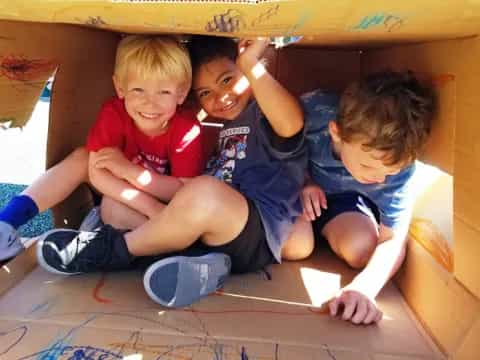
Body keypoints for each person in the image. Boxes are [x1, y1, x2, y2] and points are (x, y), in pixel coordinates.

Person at [35, 35, 313, 308]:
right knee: (113, 207)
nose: (221, 97)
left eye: (228, 79)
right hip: (206, 233)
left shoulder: (263, 114)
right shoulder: (222, 129)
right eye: (205, 93)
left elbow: (291, 126)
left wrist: (250, 63)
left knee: (203, 190)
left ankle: (108, 251)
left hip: (252, 231)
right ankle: (199, 267)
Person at [0, 35, 204, 261]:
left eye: (163, 92)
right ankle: (6, 224)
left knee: (112, 208)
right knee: (82, 158)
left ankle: (175, 253)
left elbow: (183, 191)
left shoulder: (186, 128)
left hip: (165, 212)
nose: (150, 102)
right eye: (138, 90)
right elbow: (97, 173)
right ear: (120, 87)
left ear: (182, 93)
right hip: (127, 196)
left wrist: (129, 172)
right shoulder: (114, 113)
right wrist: (149, 206)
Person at [300, 71, 435, 325]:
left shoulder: (402, 168)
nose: (382, 180)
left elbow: (392, 239)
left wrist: (363, 289)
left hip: (343, 206)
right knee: (296, 243)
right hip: (295, 191)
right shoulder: (313, 111)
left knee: (361, 250)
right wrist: (303, 181)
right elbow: (276, 140)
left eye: (391, 171)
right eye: (370, 166)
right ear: (336, 133)